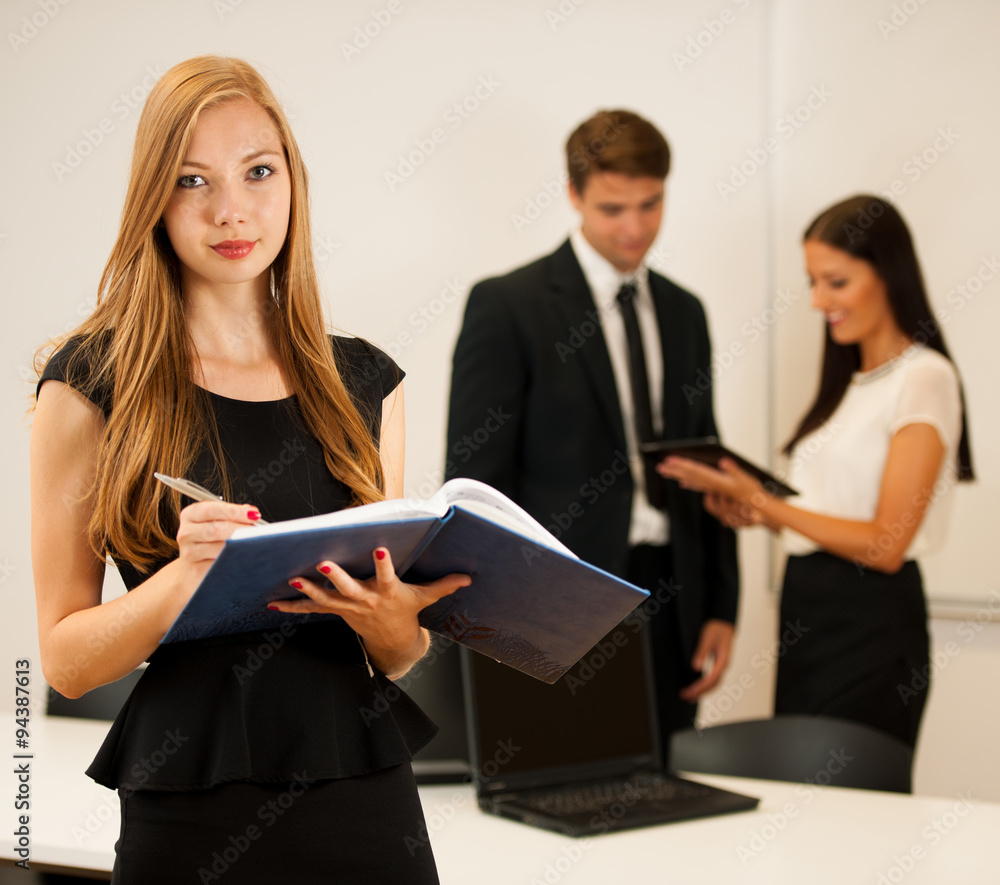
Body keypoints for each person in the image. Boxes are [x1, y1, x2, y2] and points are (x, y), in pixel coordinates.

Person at [30, 56, 469, 884]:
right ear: (154, 199)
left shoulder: (367, 383)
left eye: (258, 172)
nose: (231, 209)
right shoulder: (88, 385)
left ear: (293, 182)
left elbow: (398, 655)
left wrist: (393, 622)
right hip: (192, 805)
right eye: (192, 180)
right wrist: (183, 578)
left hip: (366, 801)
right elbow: (64, 661)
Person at [446, 109, 739, 746]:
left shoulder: (685, 312)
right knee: (572, 787)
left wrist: (721, 604)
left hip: (674, 597)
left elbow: (709, 463)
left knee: (665, 789)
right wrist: (501, 625)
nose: (635, 228)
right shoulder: (508, 305)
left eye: (651, 204)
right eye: (612, 209)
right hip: (559, 599)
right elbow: (473, 485)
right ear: (574, 195)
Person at [661, 194, 974, 750]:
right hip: (811, 614)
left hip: (870, 622)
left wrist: (762, 502)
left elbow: (885, 544)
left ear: (887, 273)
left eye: (835, 282)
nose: (816, 300)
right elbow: (835, 518)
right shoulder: (849, 384)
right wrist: (758, 514)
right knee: (809, 800)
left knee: (855, 803)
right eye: (812, 282)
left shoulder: (924, 378)